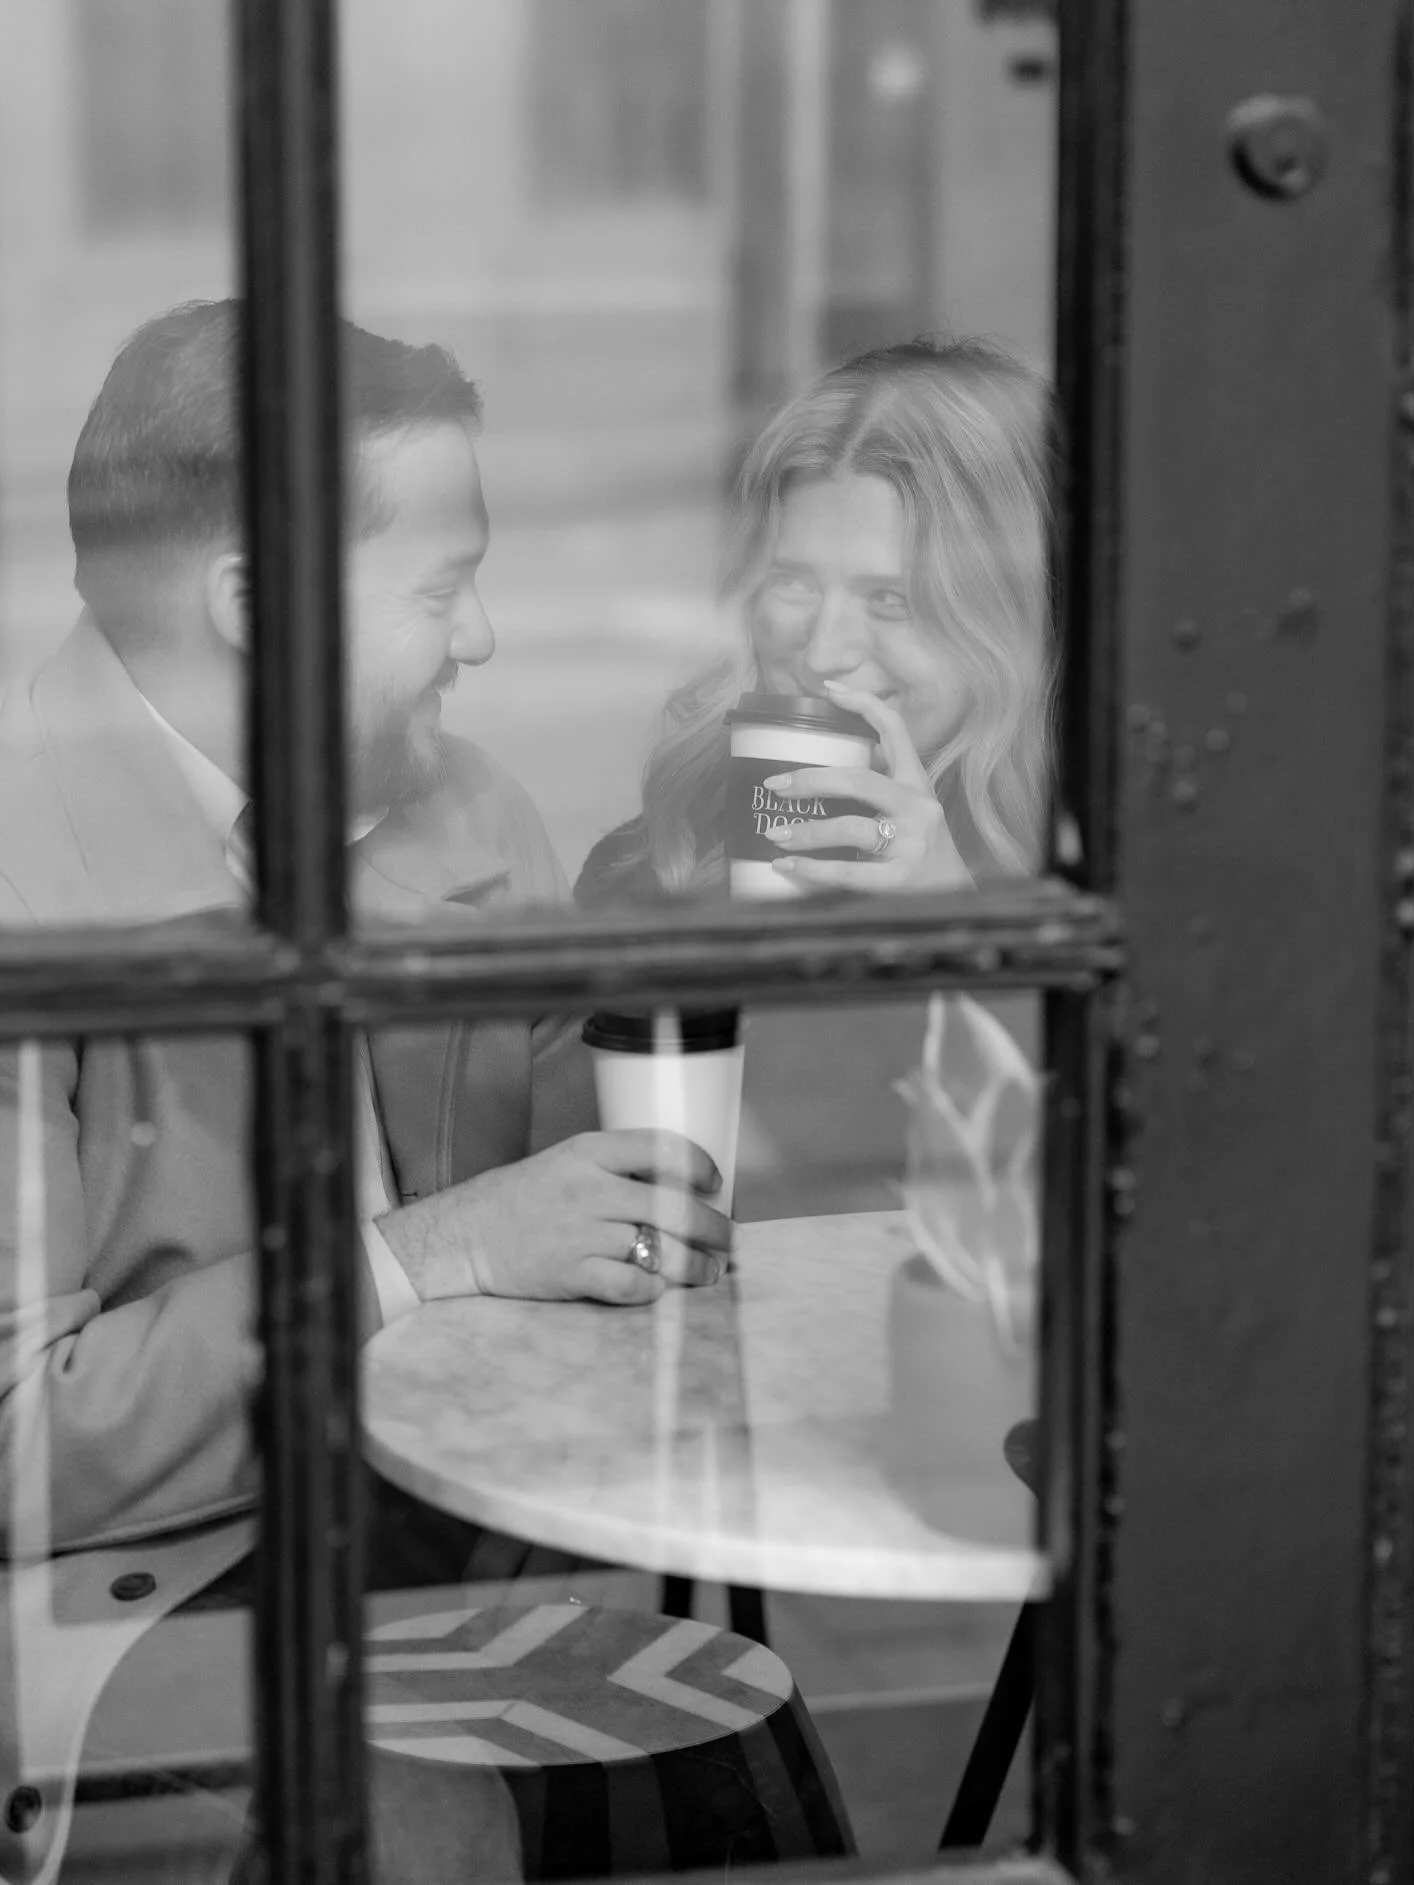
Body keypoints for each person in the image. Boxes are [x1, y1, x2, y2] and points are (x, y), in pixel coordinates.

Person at [0, 301, 731, 1884]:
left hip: (451, 1511)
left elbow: (601, 1221)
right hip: (138, 1575)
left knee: (725, 1756)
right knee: (424, 1826)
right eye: (441, 588)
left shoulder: (468, 806)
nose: (482, 640)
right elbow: (15, 1443)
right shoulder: (16, 867)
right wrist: (432, 1251)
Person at [577, 335, 1055, 908]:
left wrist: (949, 912)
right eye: (794, 583)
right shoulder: (654, 866)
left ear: (1007, 621)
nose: (823, 655)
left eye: (890, 599)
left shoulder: (1108, 868)